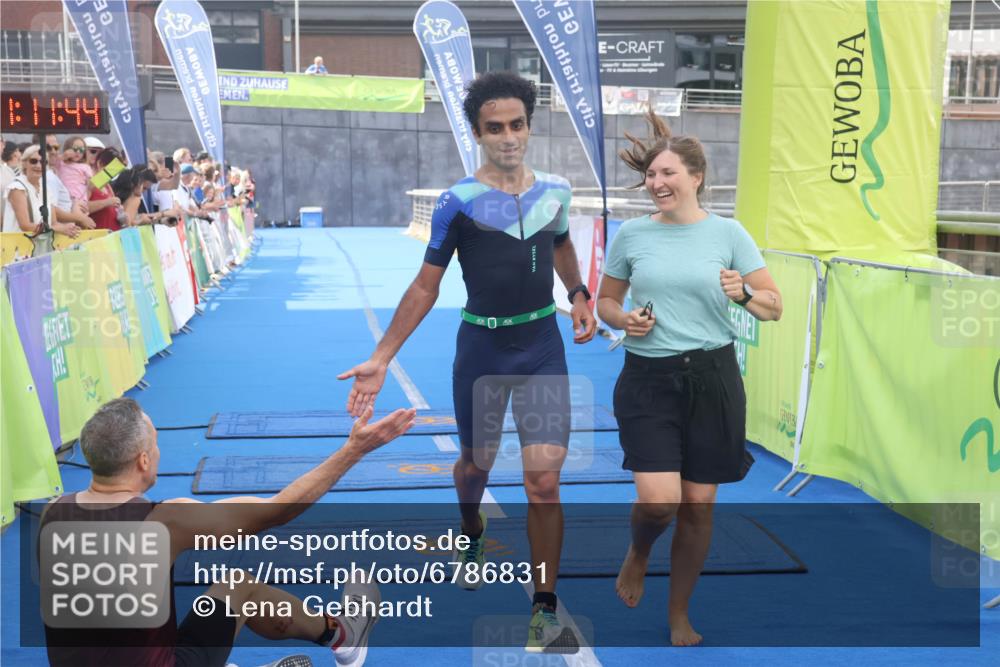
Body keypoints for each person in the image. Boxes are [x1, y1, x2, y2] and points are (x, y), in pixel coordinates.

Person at [339, 71, 596, 653]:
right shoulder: (458, 203)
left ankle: (544, 610)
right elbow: (426, 287)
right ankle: (471, 529)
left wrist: (577, 293)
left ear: (530, 126)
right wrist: (382, 356)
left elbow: (558, 242)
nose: (508, 137)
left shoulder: (556, 190)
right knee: (475, 467)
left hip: (541, 351)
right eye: (495, 128)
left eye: (517, 125)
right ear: (478, 133)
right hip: (481, 350)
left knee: (544, 483)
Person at [41, 397, 416, 667]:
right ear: (143, 460)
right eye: (155, 446)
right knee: (241, 587)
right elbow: (277, 511)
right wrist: (354, 450)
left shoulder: (53, 514)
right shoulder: (164, 522)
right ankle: (343, 635)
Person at [595, 110, 783, 646]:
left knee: (698, 507)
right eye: (652, 176)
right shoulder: (631, 235)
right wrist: (621, 318)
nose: (657, 183)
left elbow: (774, 307)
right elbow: (607, 301)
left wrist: (743, 294)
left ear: (696, 177)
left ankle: (679, 614)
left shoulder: (729, 233)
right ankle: (640, 549)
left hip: (712, 377)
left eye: (668, 174)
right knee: (659, 502)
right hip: (648, 379)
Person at [2, 146, 80, 237]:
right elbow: (25, 225)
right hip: (16, 248)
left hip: (40, 248)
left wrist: (69, 229)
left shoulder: (46, 188)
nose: (38, 165)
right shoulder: (17, 188)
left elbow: (54, 223)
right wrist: (59, 228)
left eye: (43, 162)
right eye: (33, 161)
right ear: (24, 163)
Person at [56, 135, 93, 209]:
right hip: (63, 200)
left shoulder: (85, 167)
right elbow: (54, 163)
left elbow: (91, 185)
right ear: (68, 149)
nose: (78, 152)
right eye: (75, 149)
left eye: (81, 150)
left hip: (79, 200)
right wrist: (64, 156)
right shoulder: (61, 163)